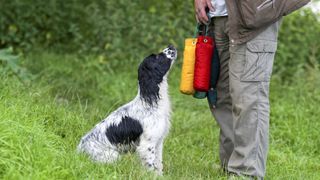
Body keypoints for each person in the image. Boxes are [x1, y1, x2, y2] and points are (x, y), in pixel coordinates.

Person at [194, 0, 281, 179]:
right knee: (221, 95)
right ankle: (230, 164)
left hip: (255, 15)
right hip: (217, 15)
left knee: (248, 96)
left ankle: (246, 172)